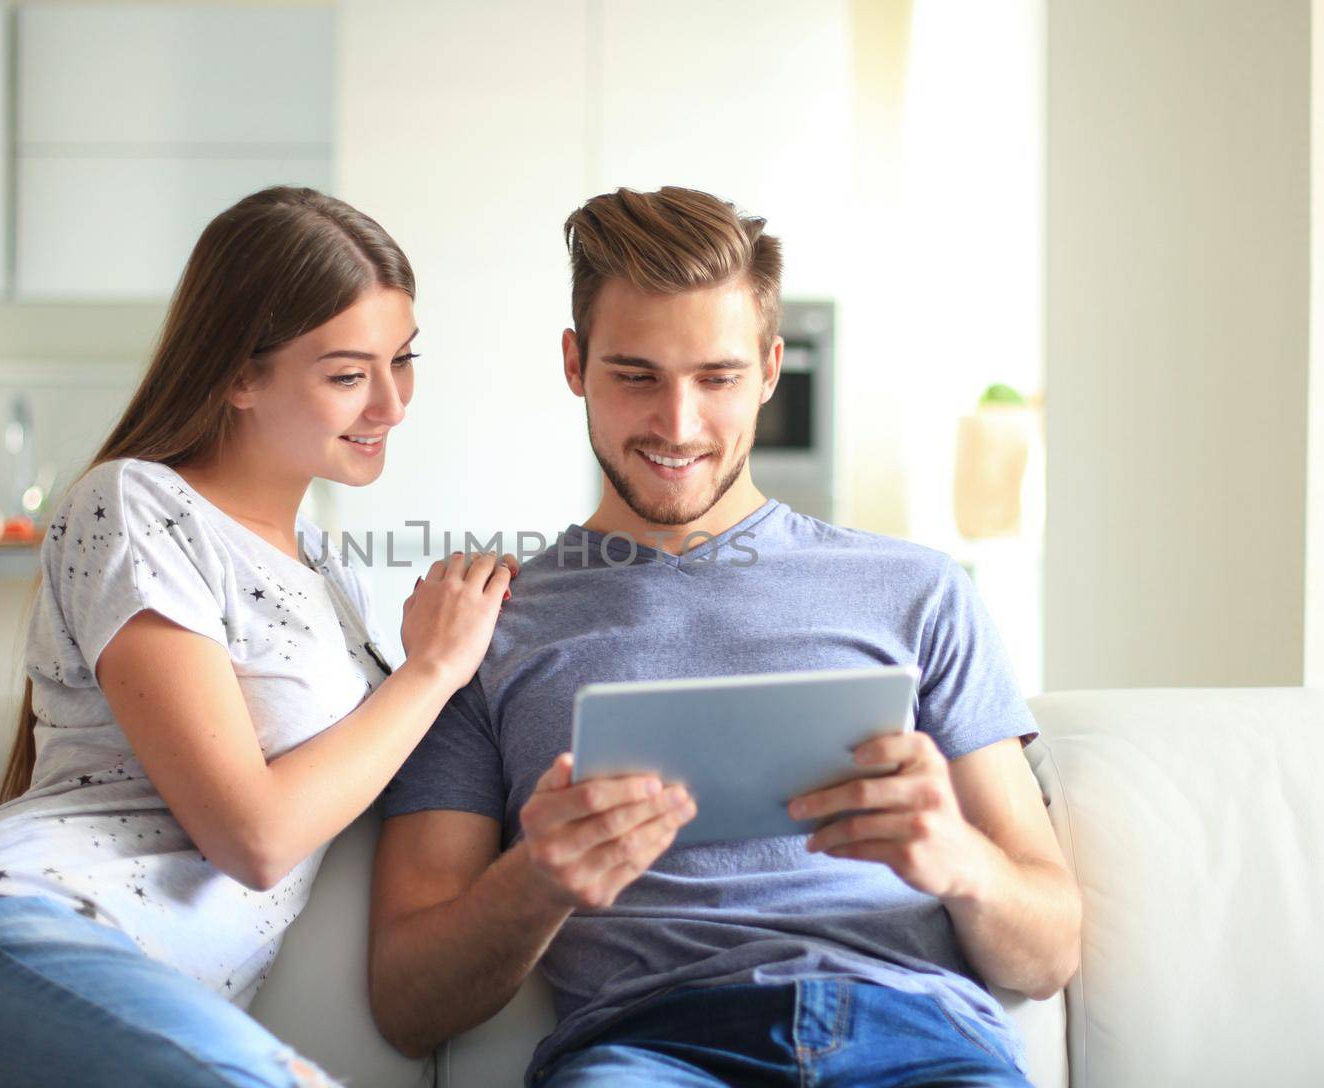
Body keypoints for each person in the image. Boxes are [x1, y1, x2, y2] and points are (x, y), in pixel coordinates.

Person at [369, 186, 1081, 1087]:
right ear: (575, 363)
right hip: (651, 1053)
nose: (678, 425)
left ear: (771, 368)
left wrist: (961, 861)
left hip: (919, 1040)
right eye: (636, 376)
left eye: (717, 378)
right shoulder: (487, 631)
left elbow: (1049, 953)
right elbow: (405, 1005)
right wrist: (539, 877)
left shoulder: (919, 593)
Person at [0, 186, 514, 1088]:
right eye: (349, 374)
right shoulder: (135, 505)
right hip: (3, 944)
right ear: (238, 375)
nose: (391, 404)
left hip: (142, 1004)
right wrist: (429, 670)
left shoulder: (333, 571)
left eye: (404, 360)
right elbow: (256, 838)